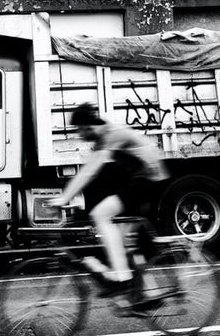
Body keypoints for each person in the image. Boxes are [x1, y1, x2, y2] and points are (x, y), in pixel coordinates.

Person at [49, 103, 168, 298]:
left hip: (147, 181)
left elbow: (89, 170)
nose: (79, 135)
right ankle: (146, 295)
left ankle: (122, 278)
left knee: (101, 215)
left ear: (87, 126)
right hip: (142, 180)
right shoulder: (105, 137)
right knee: (122, 237)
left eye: (79, 130)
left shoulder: (111, 135)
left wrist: (64, 197)